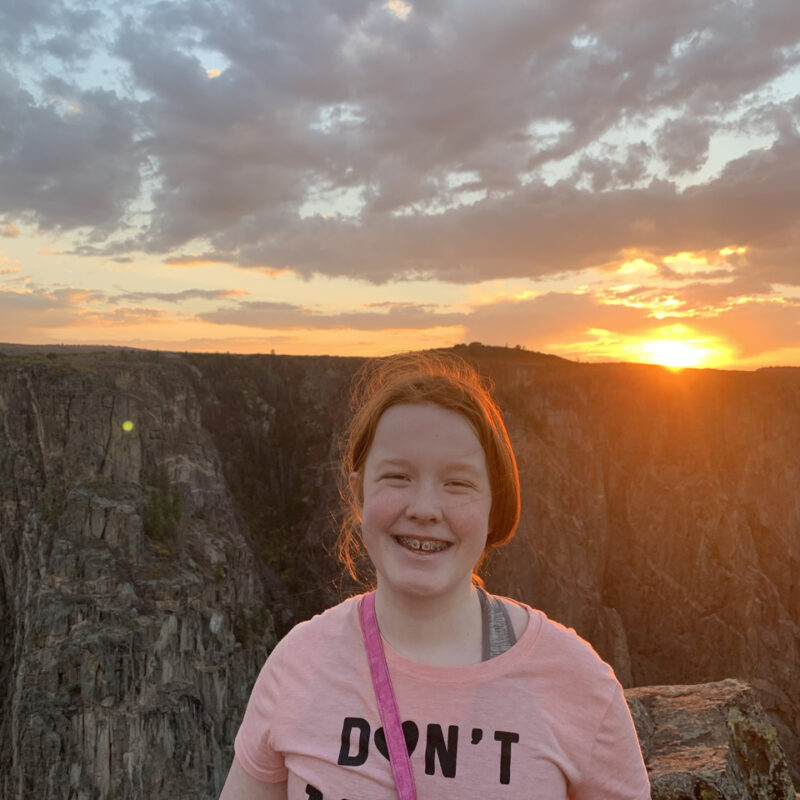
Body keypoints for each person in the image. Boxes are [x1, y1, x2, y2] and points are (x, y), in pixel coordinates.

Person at [219, 352, 651, 800]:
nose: (424, 509)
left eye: (457, 483)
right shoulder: (297, 664)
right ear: (358, 493)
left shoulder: (578, 685)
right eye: (398, 476)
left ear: (493, 505)